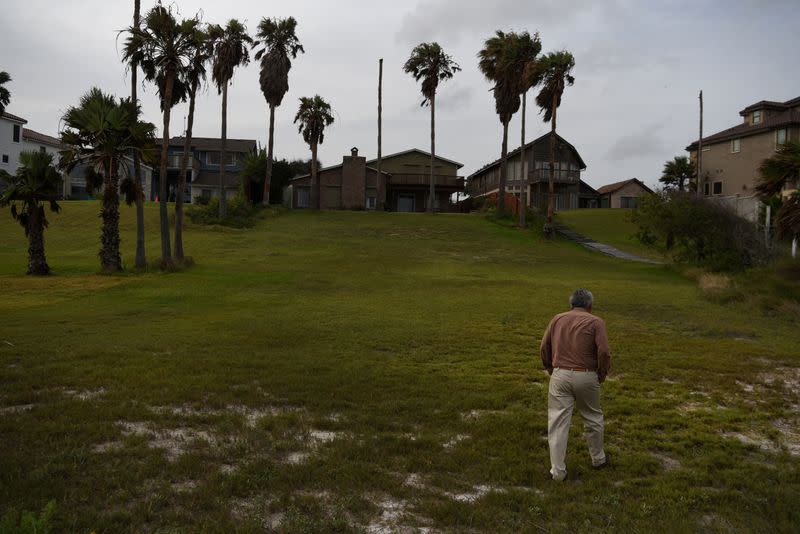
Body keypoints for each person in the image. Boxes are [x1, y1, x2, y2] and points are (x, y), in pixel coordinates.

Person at [540, 288, 611, 481]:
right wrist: (602, 373)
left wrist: (549, 367)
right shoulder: (596, 321)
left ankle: (558, 472)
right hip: (587, 375)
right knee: (593, 417)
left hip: (560, 374)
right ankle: (598, 459)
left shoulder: (557, 319)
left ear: (571, 304)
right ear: (590, 305)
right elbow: (603, 352)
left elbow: (544, 346)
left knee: (557, 422)